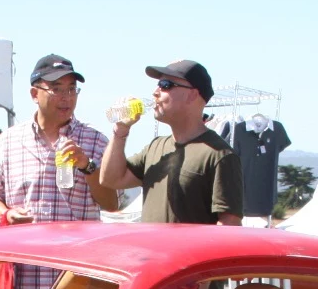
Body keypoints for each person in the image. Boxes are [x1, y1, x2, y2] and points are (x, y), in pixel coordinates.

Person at [0, 54, 120, 289]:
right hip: (26, 282)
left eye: (71, 89)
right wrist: (6, 214)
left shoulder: (95, 141)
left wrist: (87, 166)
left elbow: (112, 203)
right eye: (56, 89)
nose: (66, 98)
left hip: (78, 283)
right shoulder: (9, 141)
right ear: (35, 93)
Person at [99, 60, 244, 227]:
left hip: (190, 254)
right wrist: (120, 130)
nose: (155, 92)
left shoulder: (219, 154)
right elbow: (111, 179)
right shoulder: (155, 147)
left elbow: (229, 226)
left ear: (193, 95)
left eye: (165, 85)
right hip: (151, 253)